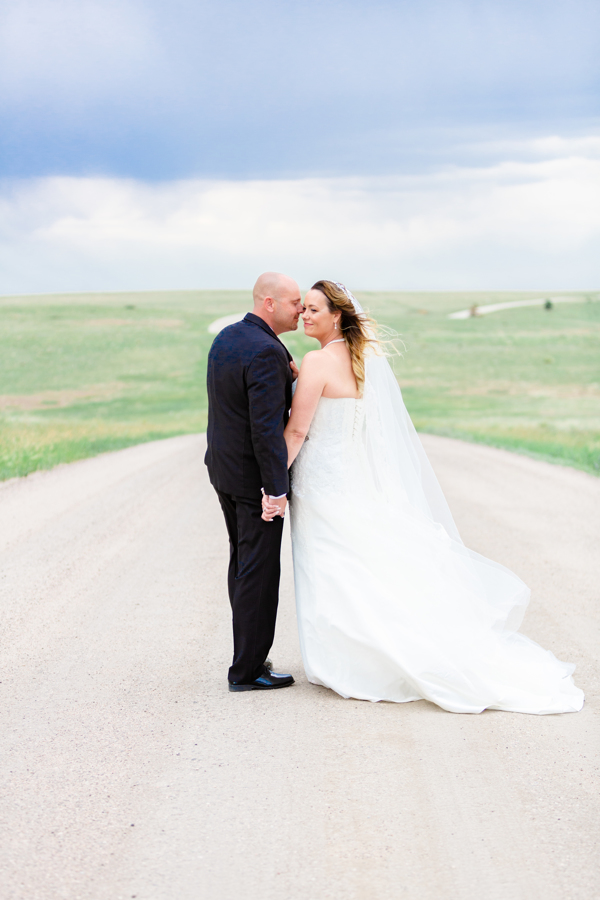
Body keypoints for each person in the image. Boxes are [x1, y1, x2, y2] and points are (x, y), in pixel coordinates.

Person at [262, 280, 584, 714]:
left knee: (330, 568)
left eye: (315, 309)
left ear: (337, 315)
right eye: (305, 309)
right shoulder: (357, 362)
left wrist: (273, 483)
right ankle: (356, 656)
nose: (305, 314)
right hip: (349, 482)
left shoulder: (318, 362)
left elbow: (298, 431)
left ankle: (347, 662)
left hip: (321, 485)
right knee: (351, 568)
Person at [205, 272, 303, 691]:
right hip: (251, 483)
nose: (300, 309)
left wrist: (291, 374)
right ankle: (247, 671)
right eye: (295, 302)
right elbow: (266, 431)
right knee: (259, 574)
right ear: (269, 303)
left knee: (243, 567)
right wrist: (275, 490)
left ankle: (249, 658)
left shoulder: (229, 337)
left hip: (224, 472)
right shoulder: (266, 351)